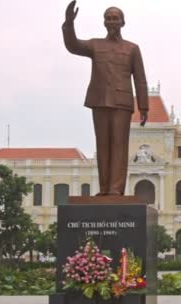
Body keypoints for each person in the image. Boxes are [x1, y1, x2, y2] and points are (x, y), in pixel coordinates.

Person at [62, 1, 149, 195]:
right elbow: (73, 45)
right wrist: (69, 23)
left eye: (115, 18)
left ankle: (115, 190)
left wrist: (144, 106)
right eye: (108, 19)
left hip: (122, 102)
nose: (112, 22)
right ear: (104, 23)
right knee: (102, 145)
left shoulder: (132, 48)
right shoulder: (95, 45)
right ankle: (103, 189)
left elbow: (140, 79)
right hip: (99, 100)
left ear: (122, 22)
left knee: (119, 145)